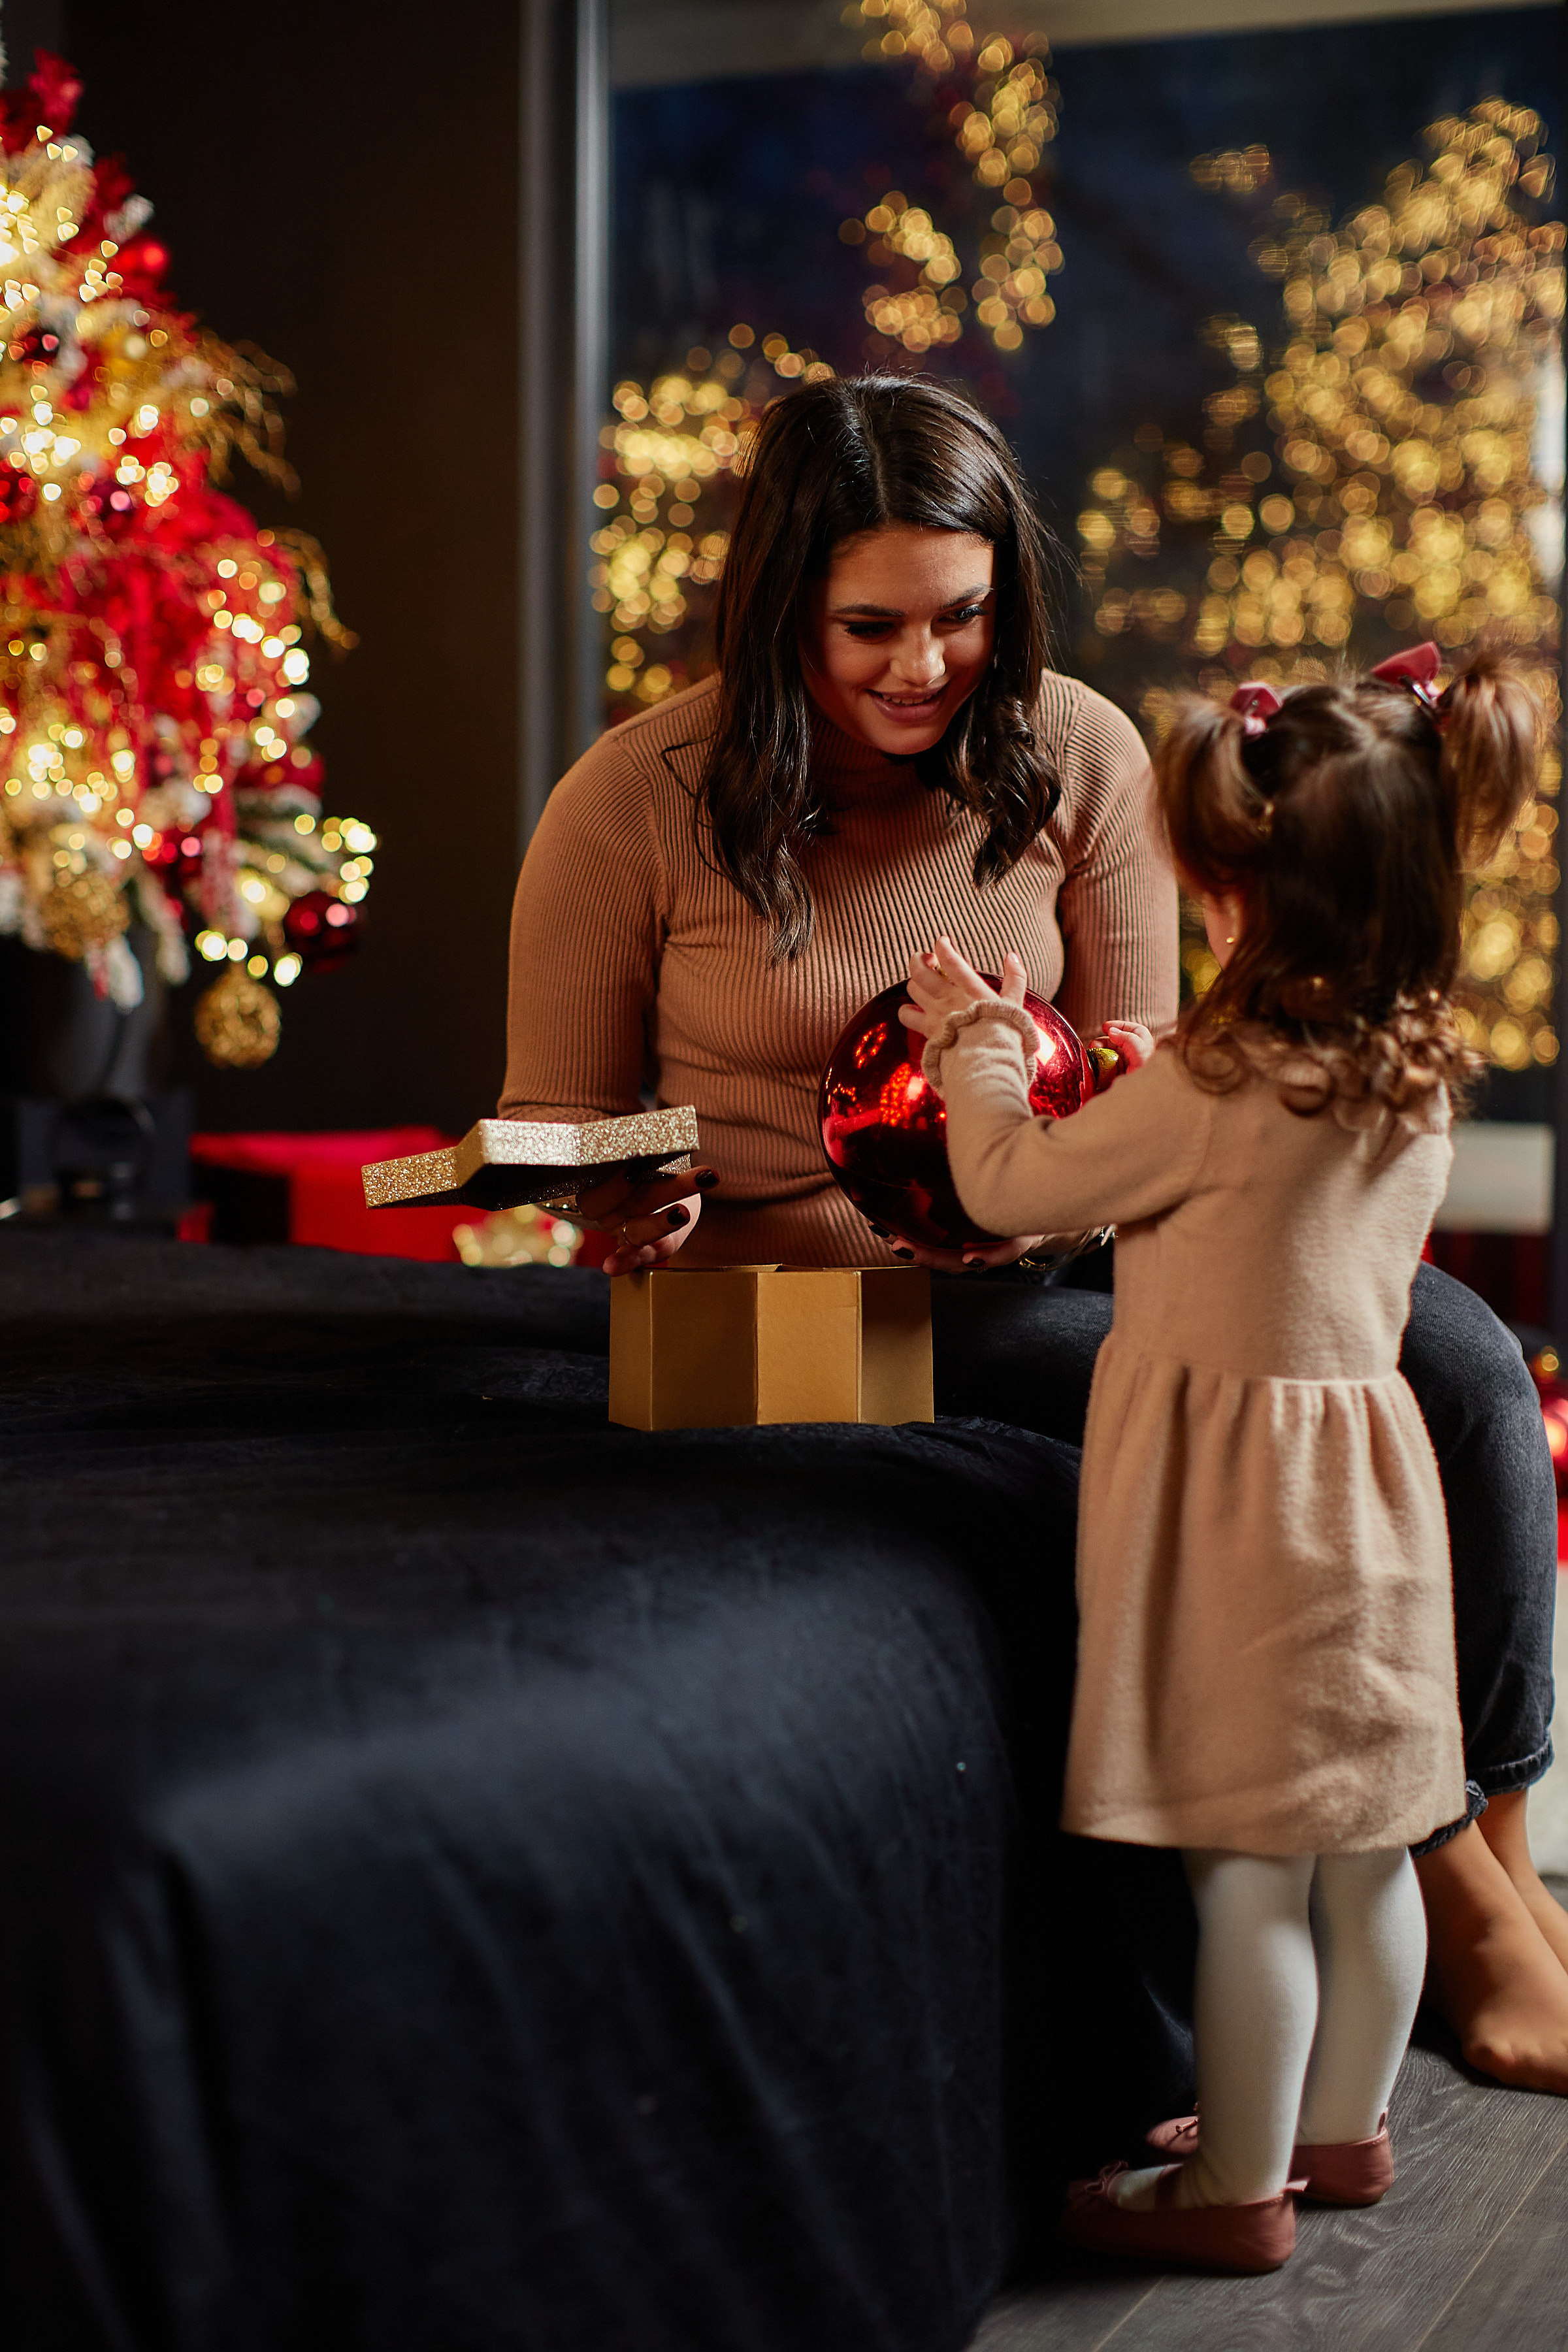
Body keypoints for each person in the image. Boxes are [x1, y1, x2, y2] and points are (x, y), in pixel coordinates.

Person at [501, 374, 1567, 2095]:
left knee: (1454, 1357)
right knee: (1220, 1391)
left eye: (962, 616)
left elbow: (1173, 1067)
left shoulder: (1075, 747)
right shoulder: (635, 800)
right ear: (784, 606)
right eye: (871, 627)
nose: (925, 666)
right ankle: (1443, 1877)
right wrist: (630, 1184)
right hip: (775, 1297)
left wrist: (1062, 1113)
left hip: (1061, 1228)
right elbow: (553, 1125)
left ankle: (1503, 1850)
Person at [900, 646, 1541, 2268]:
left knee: (1242, 1867)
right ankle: (1345, 2130)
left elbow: (1009, 1187)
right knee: (1366, 1843)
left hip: (1240, 1521)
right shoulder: (1411, 1074)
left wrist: (982, 1044)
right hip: (1377, 1508)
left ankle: (1230, 2189)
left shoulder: (1210, 1080)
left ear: (1249, 902)